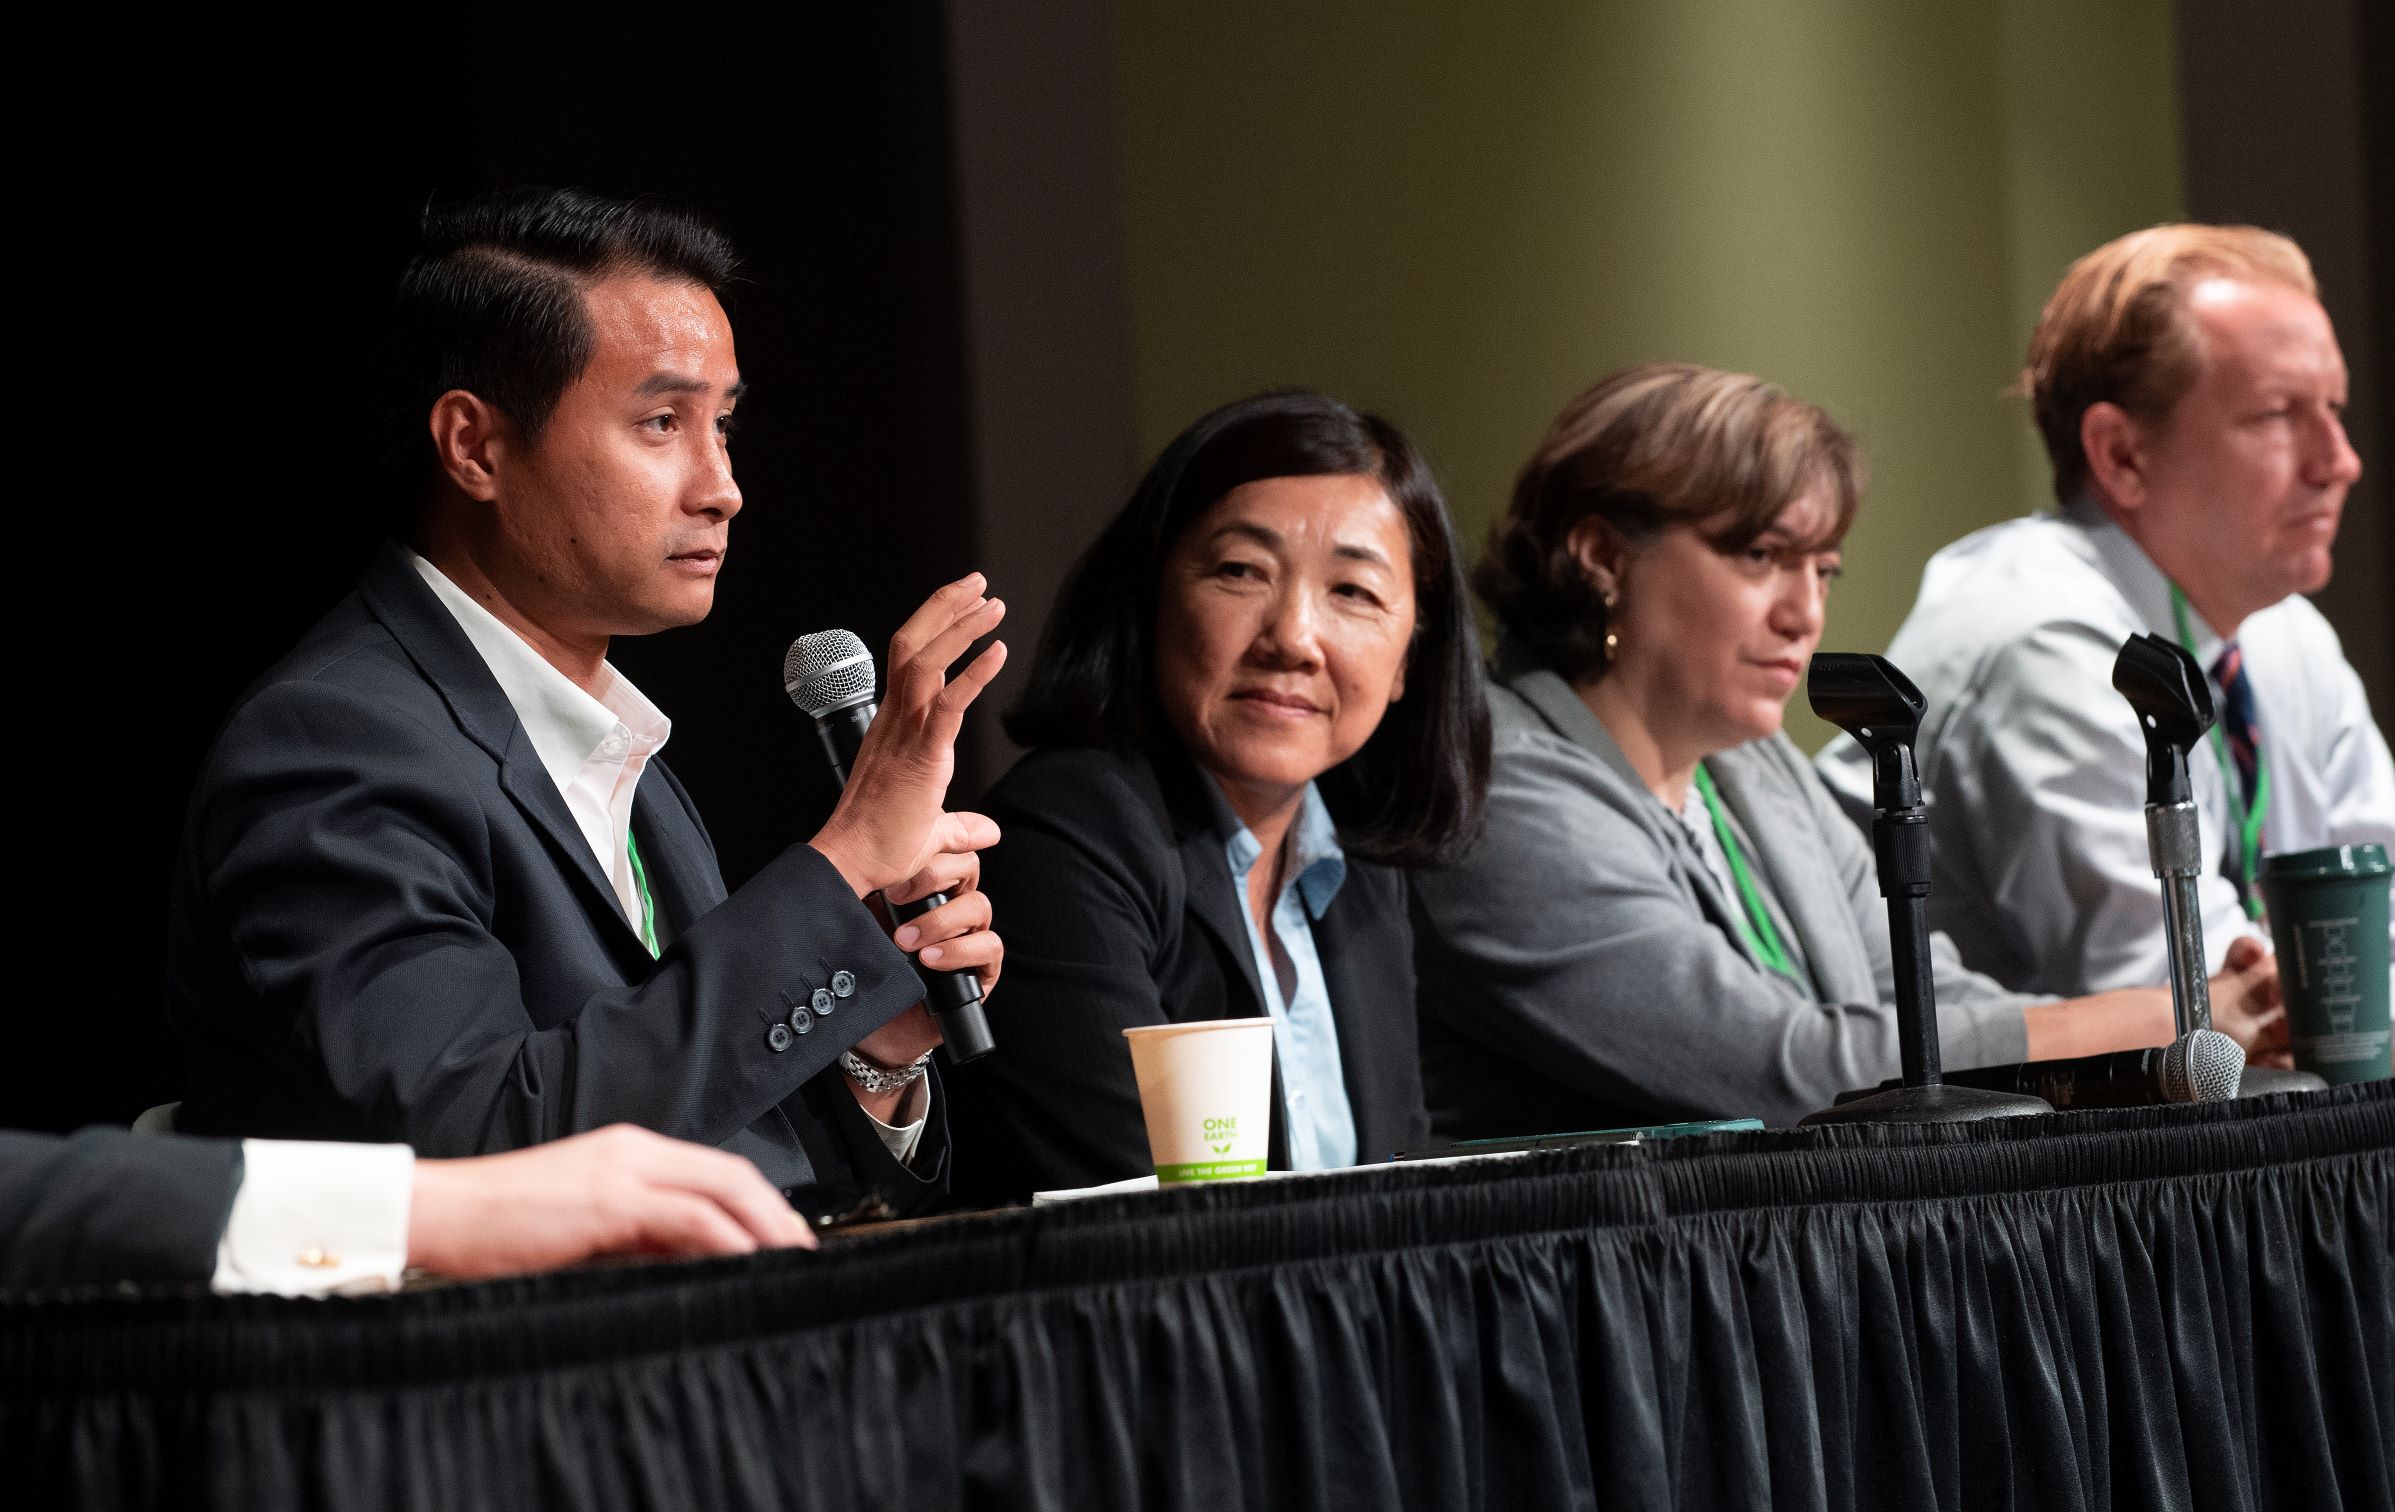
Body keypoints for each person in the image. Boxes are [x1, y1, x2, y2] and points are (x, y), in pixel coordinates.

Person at [164, 188, 1007, 1213]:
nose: (722, 486)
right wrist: (840, 868)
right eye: (661, 422)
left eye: (724, 424)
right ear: (474, 447)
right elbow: (478, 1148)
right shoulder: (332, 744)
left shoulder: (618, 750)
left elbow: (735, 1155)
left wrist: (875, 1055)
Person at [1820, 225, 2395, 1067]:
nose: (2339, 461)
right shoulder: (2040, 645)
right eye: (2278, 416)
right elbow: (2217, 1016)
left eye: (2336, 411)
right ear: (2121, 455)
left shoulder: (2280, 632)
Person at [1409, 363, 2281, 1138]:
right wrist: (2165, 1023)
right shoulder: (1496, 789)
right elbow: (1788, 1072)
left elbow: (1922, 999)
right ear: (1602, 555)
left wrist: (2174, 1031)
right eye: (1761, 556)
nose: (1804, 614)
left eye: (1823, 569)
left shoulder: (1749, 767)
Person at [949, 392, 1489, 1198]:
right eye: (1242, 571)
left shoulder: (1360, 867)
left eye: (1354, 592)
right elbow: (1145, 1216)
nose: (1294, 640)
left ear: (1411, 657)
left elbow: (1395, 1184)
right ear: (1151, 596)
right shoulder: (1069, 834)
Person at [1, 1124, 815, 1295]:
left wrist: (876, 1054)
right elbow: (476, 1121)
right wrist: (430, 1210)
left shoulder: (654, 781)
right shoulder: (331, 727)